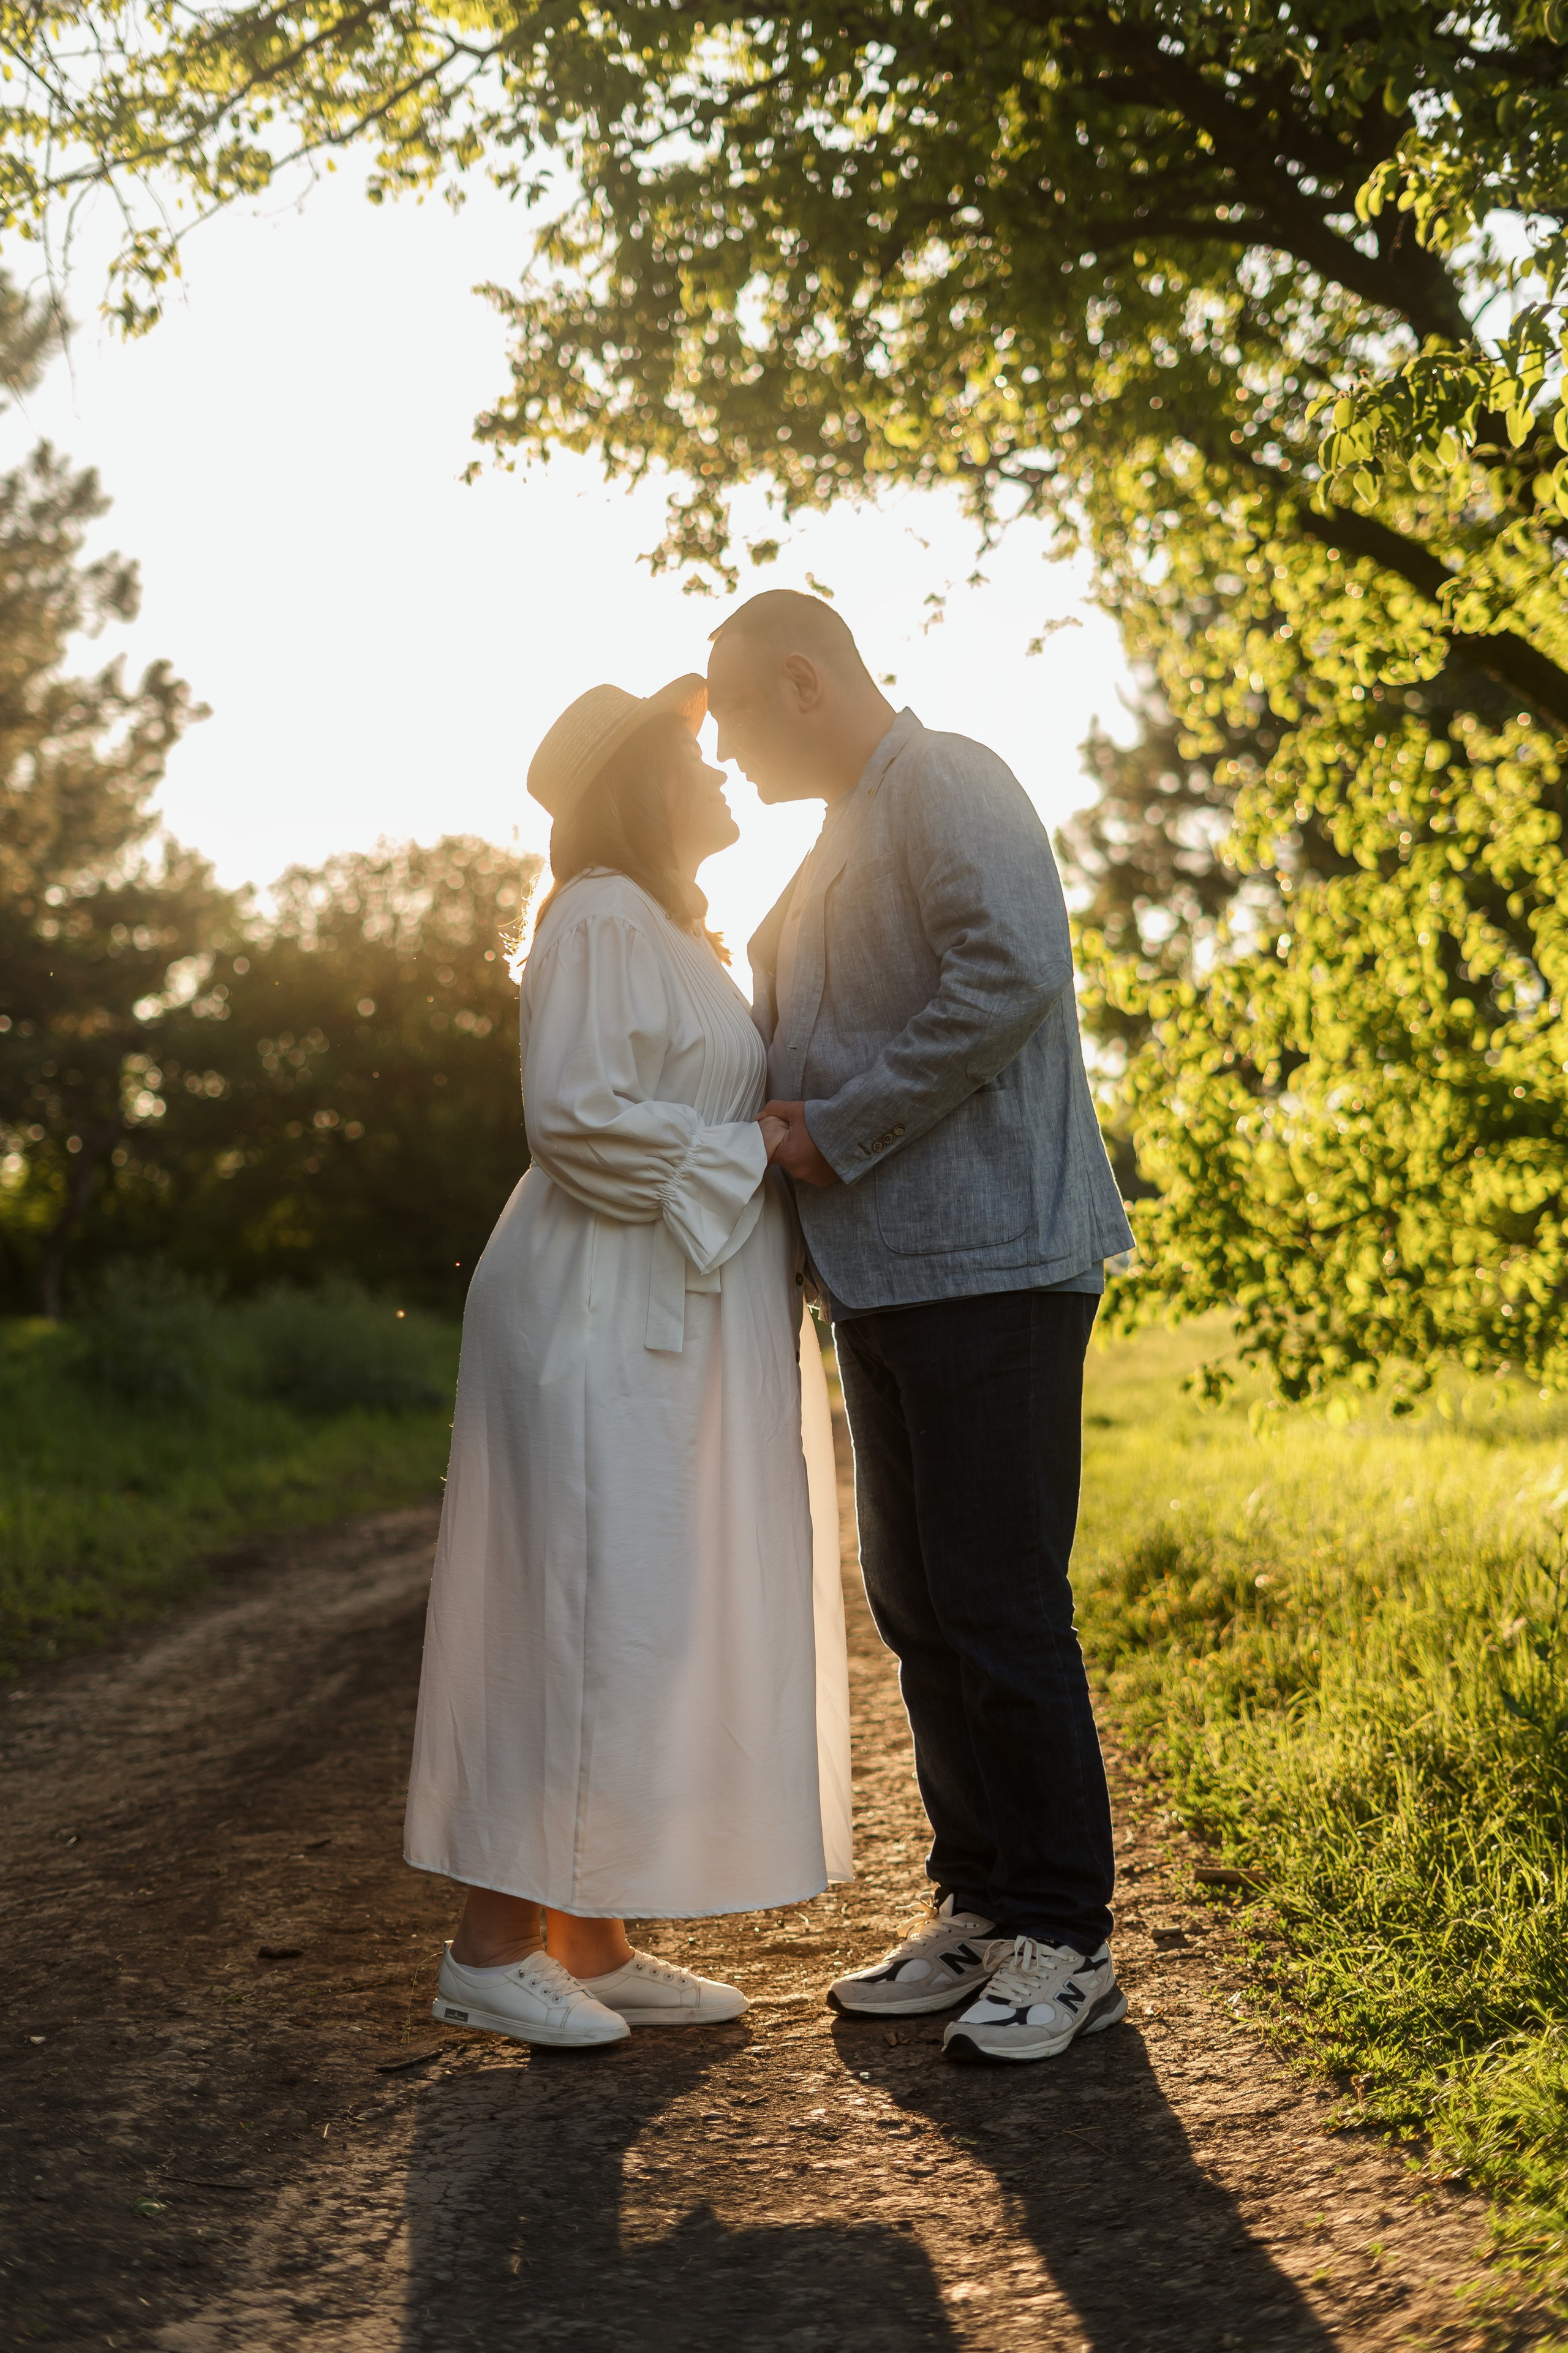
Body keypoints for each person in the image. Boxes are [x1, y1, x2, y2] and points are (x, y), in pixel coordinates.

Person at [706, 591, 1134, 2066]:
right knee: (919, 1604)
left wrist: (841, 1127)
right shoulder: (836, 831)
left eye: (734, 715)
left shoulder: (945, 778)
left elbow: (1007, 971)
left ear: (803, 680)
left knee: (1000, 1604)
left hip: (993, 1270)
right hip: (888, 1280)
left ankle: (1065, 1937)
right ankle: (980, 1901)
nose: (725, 752)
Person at [404, 671, 852, 2050]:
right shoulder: (598, 913)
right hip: (598, 1315)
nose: (719, 765)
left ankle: (586, 1945)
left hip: (656, 1313)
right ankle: (489, 1949)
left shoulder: (663, 928)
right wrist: (756, 1153)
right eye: (691, 751)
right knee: (578, 1613)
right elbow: (576, 1117)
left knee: (635, 1616)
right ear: (639, 783)